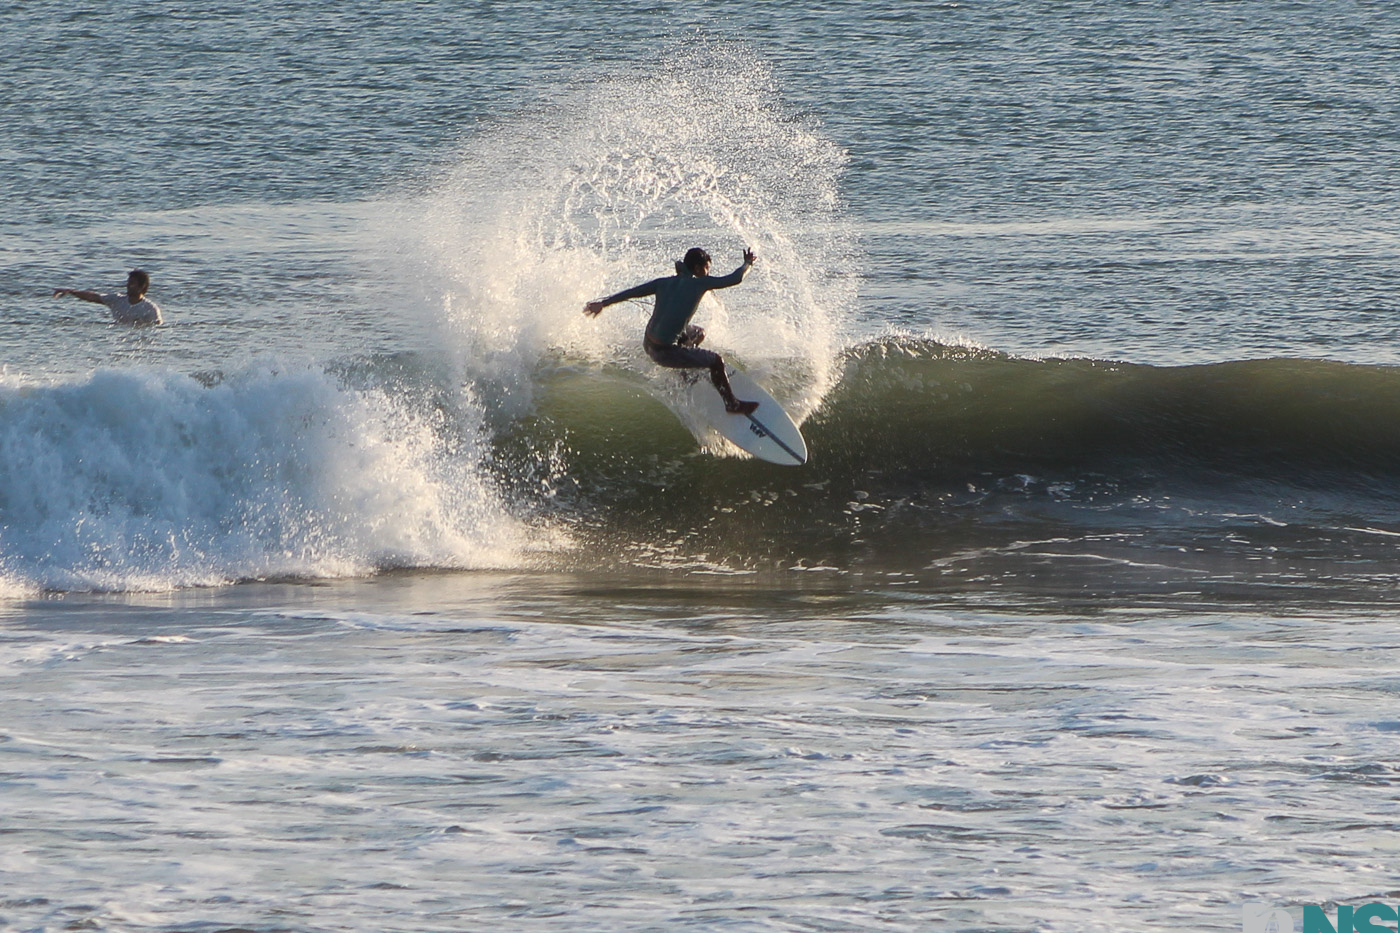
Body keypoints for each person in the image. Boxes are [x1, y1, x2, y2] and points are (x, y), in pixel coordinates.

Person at [584, 246, 758, 414]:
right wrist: (747, 263)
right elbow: (736, 278)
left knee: (698, 333)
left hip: (648, 343)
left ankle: (684, 370)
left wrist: (603, 303)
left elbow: (630, 292)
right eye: (706, 269)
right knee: (716, 362)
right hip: (665, 353)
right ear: (698, 268)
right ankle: (731, 404)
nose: (708, 273)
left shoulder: (663, 282)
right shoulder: (700, 283)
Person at [53, 269, 163, 325]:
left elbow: (157, 330)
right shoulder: (117, 300)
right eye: (128, 282)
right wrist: (71, 291)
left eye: (132, 283)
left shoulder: (150, 309)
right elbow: (93, 297)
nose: (128, 285)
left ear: (141, 287)